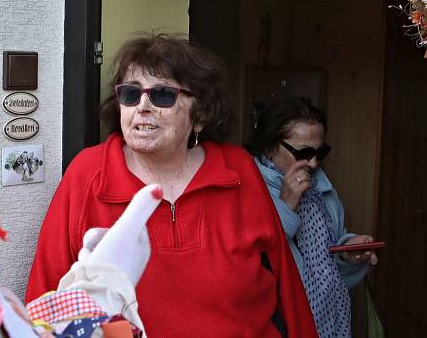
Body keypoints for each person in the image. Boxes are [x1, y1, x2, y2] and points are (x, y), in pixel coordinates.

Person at [26, 33, 319, 337]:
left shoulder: (237, 170)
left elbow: (287, 285)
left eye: (162, 95)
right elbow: (43, 301)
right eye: (130, 94)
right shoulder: (89, 174)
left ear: (200, 115)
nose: (142, 106)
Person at [249, 97, 377, 338]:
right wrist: (286, 206)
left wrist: (348, 253)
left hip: (332, 323)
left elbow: (328, 267)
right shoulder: (248, 188)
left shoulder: (323, 188)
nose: (314, 162)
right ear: (269, 146)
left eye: (321, 152)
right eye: (304, 152)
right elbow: (254, 266)